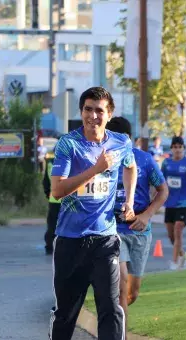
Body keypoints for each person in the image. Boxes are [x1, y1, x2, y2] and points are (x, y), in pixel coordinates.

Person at [49, 87, 137, 340]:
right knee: (66, 313)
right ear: (81, 112)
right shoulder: (69, 144)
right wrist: (96, 169)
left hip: (105, 238)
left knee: (110, 308)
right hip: (70, 239)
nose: (93, 116)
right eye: (88, 109)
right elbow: (57, 190)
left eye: (99, 111)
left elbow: (131, 168)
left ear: (109, 114)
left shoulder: (120, 142)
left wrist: (129, 201)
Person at [106, 117, 168, 338]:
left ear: (129, 139)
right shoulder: (103, 160)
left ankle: (113, 316)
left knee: (132, 293)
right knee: (121, 284)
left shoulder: (144, 159)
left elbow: (162, 190)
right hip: (113, 229)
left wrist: (147, 215)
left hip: (140, 231)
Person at [161, 136, 186, 270]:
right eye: (175, 147)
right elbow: (161, 182)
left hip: (183, 201)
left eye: (180, 147)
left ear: (183, 148)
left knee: (178, 230)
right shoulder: (166, 163)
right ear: (171, 148)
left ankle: (175, 262)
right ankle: (182, 254)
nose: (177, 150)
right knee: (171, 236)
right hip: (169, 202)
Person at [42, 149, 61, 255]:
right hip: (69, 199)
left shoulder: (51, 163)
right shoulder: (73, 161)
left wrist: (48, 194)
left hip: (54, 199)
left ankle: (50, 246)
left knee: (52, 224)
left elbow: (45, 182)